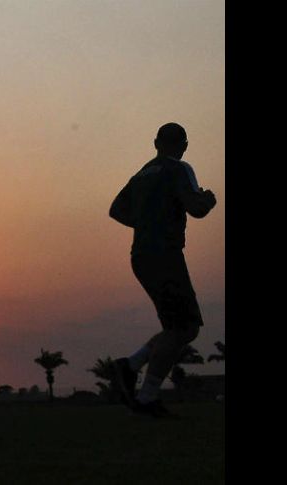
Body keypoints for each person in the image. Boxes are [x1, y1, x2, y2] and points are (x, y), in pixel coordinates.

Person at [109, 122, 217, 418]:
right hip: (164, 254)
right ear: (184, 146)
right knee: (184, 328)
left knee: (176, 328)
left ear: (156, 143)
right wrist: (208, 200)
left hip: (141, 256)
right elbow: (196, 208)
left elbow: (116, 210)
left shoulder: (142, 174)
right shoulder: (179, 169)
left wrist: (146, 221)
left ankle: (131, 367)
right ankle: (146, 396)